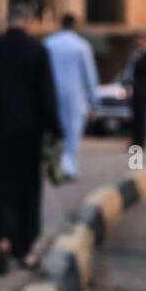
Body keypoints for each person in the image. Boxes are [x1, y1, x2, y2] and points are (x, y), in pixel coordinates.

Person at [0, 2, 62, 274]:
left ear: (6, 21)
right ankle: (25, 250)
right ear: (28, 22)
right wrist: (56, 128)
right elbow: (47, 94)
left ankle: (3, 240)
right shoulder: (38, 51)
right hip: (29, 133)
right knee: (27, 190)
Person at [42, 13, 99, 179]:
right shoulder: (81, 45)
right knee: (72, 132)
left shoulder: (49, 43)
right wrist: (94, 101)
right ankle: (69, 166)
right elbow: (89, 74)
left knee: (55, 130)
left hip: (52, 93)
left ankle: (55, 163)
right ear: (75, 25)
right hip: (75, 96)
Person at [123, 34, 146, 150]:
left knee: (143, 117)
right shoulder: (134, 55)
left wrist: (137, 59)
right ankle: (135, 140)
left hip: (143, 90)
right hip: (135, 91)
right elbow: (129, 73)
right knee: (135, 118)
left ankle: (141, 141)